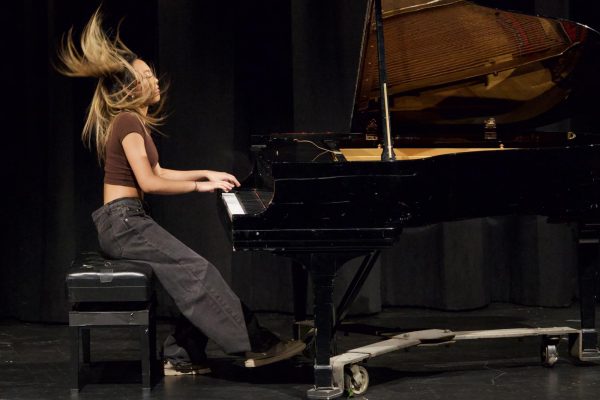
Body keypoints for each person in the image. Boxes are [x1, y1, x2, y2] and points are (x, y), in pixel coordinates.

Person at [55, 7, 305, 375]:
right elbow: (150, 183)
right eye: (145, 75)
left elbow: (156, 170)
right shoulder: (126, 121)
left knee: (191, 272)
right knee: (196, 271)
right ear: (130, 86)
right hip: (122, 224)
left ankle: (182, 356)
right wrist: (200, 186)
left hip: (127, 221)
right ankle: (253, 346)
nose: (155, 79)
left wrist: (206, 171)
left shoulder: (133, 123)